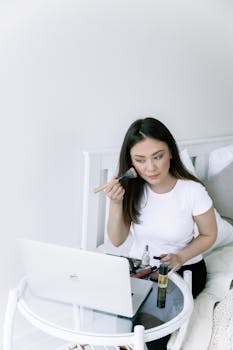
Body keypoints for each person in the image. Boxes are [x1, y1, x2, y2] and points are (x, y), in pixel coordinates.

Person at [104, 117, 217, 349]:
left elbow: (209, 234)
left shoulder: (192, 191)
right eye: (140, 160)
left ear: (171, 153)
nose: (151, 168)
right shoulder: (131, 189)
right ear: (130, 163)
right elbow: (117, 240)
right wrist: (116, 204)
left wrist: (181, 257)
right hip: (140, 268)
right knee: (108, 317)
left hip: (182, 269)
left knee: (149, 331)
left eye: (158, 156)